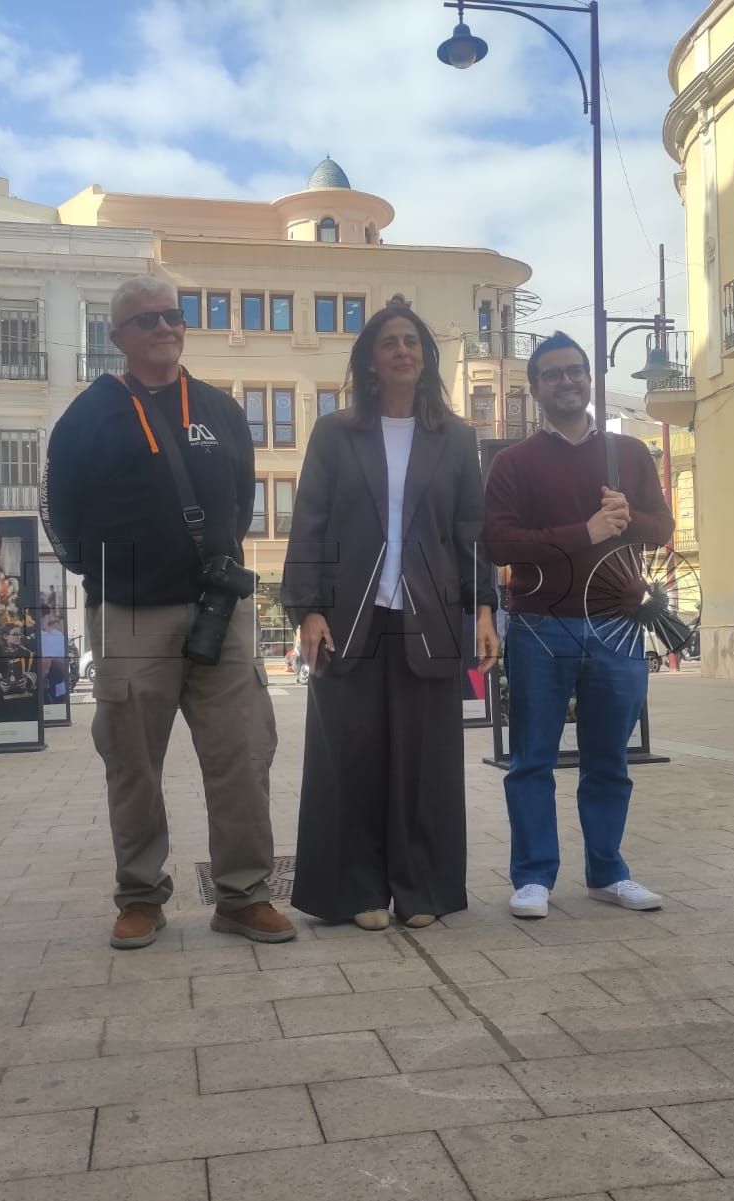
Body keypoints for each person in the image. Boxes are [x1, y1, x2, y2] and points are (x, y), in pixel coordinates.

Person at [43, 275, 293, 949]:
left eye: (171, 317)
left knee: (243, 750)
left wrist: (207, 560)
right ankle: (141, 895)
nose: (162, 328)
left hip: (219, 605)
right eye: (145, 320)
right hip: (128, 609)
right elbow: (60, 518)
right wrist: (107, 575)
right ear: (118, 336)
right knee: (131, 758)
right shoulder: (87, 416)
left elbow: (239, 504)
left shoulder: (219, 408)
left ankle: (243, 894)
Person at [283, 302, 498, 929]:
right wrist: (307, 610)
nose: (403, 349)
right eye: (390, 342)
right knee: (348, 758)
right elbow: (309, 526)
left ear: (426, 356)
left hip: (427, 619)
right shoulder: (335, 433)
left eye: (412, 341)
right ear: (370, 360)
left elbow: (473, 535)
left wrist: (483, 608)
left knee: (426, 761)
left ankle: (422, 890)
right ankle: (358, 892)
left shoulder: (456, 439)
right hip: (350, 619)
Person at [483, 331, 674, 920]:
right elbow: (497, 541)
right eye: (554, 374)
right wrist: (583, 533)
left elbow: (662, 529)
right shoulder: (513, 463)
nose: (567, 381)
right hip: (541, 626)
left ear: (589, 380)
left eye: (576, 371)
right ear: (535, 387)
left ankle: (607, 870)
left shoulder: (630, 453)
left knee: (609, 760)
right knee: (533, 759)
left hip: (617, 627)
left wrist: (627, 519)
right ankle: (534, 876)